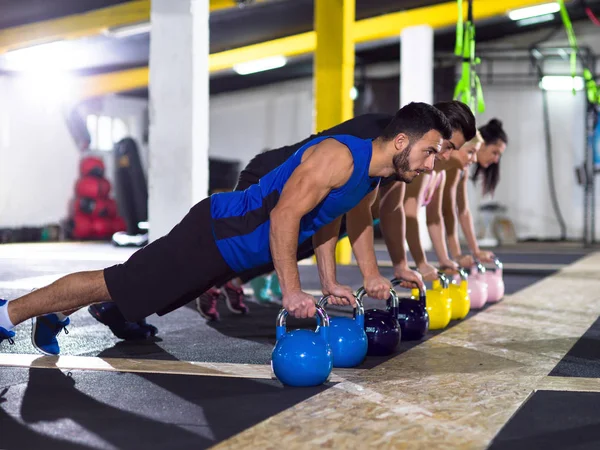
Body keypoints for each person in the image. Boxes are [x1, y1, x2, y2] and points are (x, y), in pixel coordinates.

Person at [0, 102, 452, 347]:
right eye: (429, 152)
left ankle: (57, 313)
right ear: (400, 141)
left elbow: (326, 224)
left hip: (230, 253)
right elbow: (284, 216)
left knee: (136, 293)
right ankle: (9, 313)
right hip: (217, 234)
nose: (431, 165)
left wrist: (329, 281)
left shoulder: (370, 179)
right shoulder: (340, 156)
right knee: (113, 283)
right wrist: (293, 291)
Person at [196, 101, 476, 321]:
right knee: (256, 241)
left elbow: (392, 210)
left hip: (307, 195)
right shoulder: (383, 135)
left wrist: (401, 265)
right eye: (448, 147)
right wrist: (369, 274)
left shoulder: (407, 158)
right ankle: (209, 280)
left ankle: (229, 280)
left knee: (297, 243)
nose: (446, 157)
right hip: (268, 176)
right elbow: (357, 211)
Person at [441, 119, 508, 265]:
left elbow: (463, 211)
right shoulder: (455, 165)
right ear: (481, 145)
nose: (496, 160)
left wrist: (475, 251)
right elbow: (448, 211)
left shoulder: (462, 170)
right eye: (495, 152)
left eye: (499, 155)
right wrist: (455, 255)